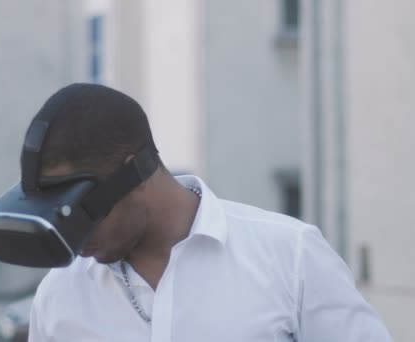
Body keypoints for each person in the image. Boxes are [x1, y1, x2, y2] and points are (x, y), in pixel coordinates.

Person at [27, 83, 393, 341]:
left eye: (83, 208)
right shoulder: (60, 293)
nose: (73, 229)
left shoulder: (289, 255)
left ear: (134, 174)